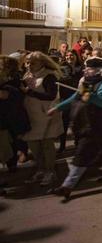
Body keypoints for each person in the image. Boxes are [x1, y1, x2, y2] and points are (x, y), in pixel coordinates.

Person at [48, 57, 102, 201]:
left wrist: (90, 96)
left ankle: (67, 186)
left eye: (89, 68)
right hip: (90, 126)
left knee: (81, 155)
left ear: (100, 71)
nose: (85, 70)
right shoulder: (89, 84)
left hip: (98, 127)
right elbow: (75, 98)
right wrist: (57, 108)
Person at [21, 52, 64, 187]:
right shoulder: (27, 75)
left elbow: (51, 96)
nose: (29, 65)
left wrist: (29, 92)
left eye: (33, 62)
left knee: (46, 145)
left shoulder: (49, 76)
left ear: (42, 63)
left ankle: (50, 172)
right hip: (31, 116)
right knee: (33, 145)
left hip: (45, 116)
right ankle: (40, 169)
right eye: (27, 62)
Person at [0, 56, 31, 187]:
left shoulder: (15, 78)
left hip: (10, 114)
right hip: (5, 114)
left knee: (11, 140)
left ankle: (12, 163)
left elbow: (16, 94)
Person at [58, 50, 83, 153]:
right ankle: (62, 145)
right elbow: (62, 80)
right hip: (66, 98)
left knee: (77, 122)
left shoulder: (81, 68)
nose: (69, 57)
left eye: (71, 55)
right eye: (67, 55)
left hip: (78, 98)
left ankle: (77, 143)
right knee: (64, 122)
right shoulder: (62, 68)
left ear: (76, 56)